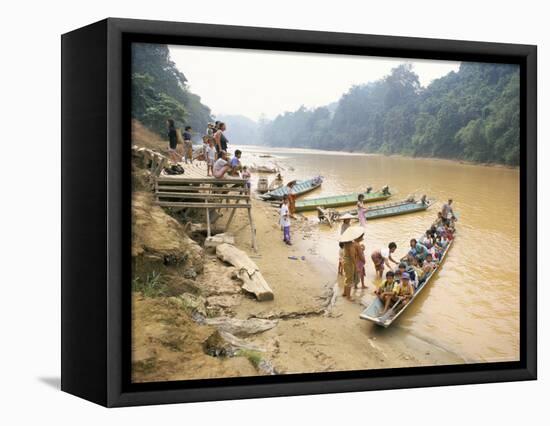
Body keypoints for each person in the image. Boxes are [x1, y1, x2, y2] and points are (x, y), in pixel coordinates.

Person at [340, 227, 364, 298]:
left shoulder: (346, 243)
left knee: (347, 278)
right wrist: (356, 267)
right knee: (349, 280)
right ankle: (348, 296)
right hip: (349, 262)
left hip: (345, 261)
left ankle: (345, 293)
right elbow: (353, 257)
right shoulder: (351, 245)